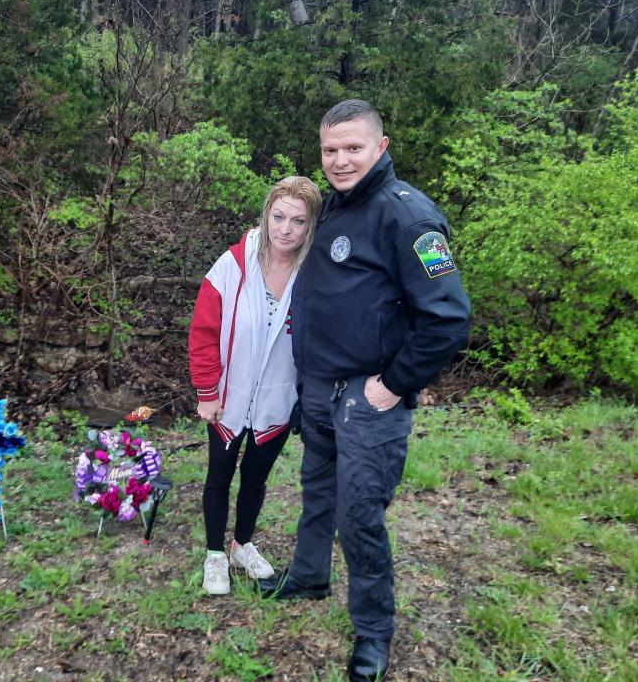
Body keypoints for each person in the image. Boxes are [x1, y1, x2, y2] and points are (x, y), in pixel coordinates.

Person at [257, 101, 471, 682]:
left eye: (353, 148)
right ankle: (308, 576)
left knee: (359, 516)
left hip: (368, 400)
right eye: (330, 150)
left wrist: (393, 386)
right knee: (318, 493)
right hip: (321, 390)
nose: (340, 160)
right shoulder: (334, 208)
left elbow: (448, 318)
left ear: (380, 145)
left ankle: (374, 634)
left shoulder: (407, 218)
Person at [188, 176, 323, 595]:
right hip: (228, 399)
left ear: (310, 226)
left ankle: (241, 544)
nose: (285, 229)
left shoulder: (315, 277)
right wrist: (208, 394)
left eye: (297, 221)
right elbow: (203, 333)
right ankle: (214, 555)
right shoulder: (231, 266)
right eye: (278, 217)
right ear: (265, 216)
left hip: (277, 401)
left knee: (255, 479)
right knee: (219, 476)